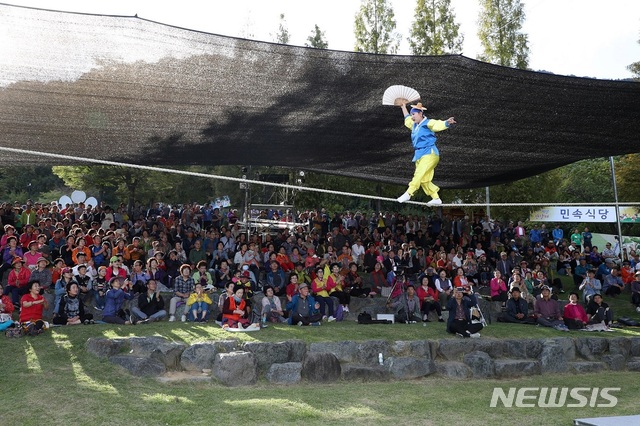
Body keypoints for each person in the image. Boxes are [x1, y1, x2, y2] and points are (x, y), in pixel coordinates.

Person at [396, 101, 456, 205]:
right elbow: (407, 119)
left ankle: (409, 193)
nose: (412, 117)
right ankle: (436, 198)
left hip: (429, 153)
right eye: (411, 115)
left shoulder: (428, 122)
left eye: (413, 114)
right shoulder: (414, 125)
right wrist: (403, 107)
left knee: (418, 174)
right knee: (424, 180)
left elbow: (437, 124)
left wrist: (446, 122)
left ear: (420, 113)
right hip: (419, 154)